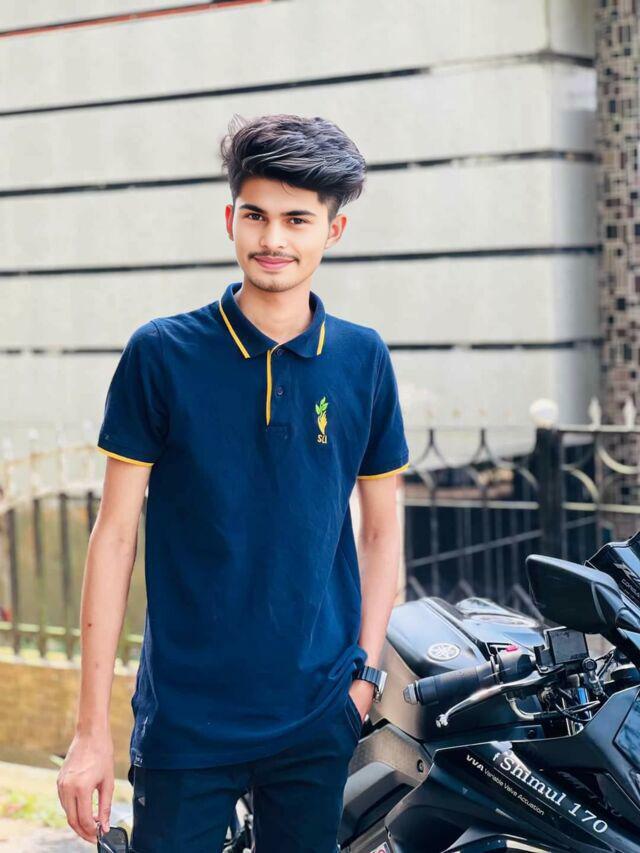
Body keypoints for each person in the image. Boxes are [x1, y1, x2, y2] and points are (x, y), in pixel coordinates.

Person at [57, 113, 409, 852]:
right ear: (230, 220)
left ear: (333, 231)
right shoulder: (162, 354)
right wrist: (91, 732)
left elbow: (382, 532)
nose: (272, 238)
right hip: (188, 719)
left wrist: (365, 679)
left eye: (296, 219)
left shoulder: (363, 358)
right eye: (255, 215)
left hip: (318, 713)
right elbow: (114, 537)